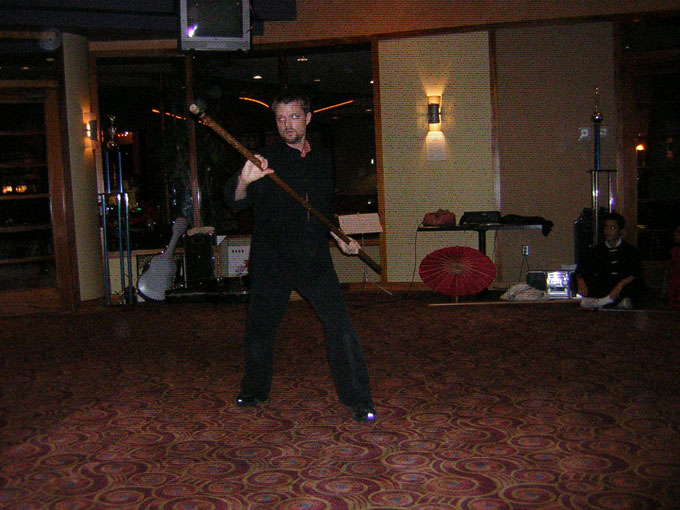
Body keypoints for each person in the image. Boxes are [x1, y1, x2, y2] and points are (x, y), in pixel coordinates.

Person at [224, 91, 376, 422]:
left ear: (307, 118)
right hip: (272, 258)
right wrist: (244, 181)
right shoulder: (263, 159)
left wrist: (341, 239)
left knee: (340, 325)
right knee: (261, 329)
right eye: (280, 118)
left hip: (313, 258)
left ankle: (358, 398)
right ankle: (254, 390)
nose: (287, 125)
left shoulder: (321, 160)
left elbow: (323, 210)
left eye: (293, 117)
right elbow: (235, 201)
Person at [576, 212, 644, 309]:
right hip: (604, 285)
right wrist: (581, 281)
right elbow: (583, 268)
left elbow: (635, 272)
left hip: (623, 285)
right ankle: (616, 303)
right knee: (581, 279)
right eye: (606, 227)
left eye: (612, 228)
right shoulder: (597, 250)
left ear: (620, 231)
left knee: (636, 284)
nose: (608, 231)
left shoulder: (630, 250)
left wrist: (620, 285)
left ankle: (602, 302)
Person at [666, 223, 680, 308]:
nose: (675, 235)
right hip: (674, 283)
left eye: (678, 233)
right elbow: (669, 268)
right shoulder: (674, 250)